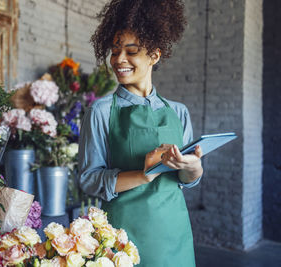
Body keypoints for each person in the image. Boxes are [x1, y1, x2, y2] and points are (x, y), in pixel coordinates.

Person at [78, 0, 203, 266]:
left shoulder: (178, 112)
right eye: (114, 51)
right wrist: (146, 174)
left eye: (131, 51)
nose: (119, 59)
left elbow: (186, 181)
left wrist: (193, 167)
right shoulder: (100, 111)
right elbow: (89, 180)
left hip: (174, 231)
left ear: (154, 56)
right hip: (123, 236)